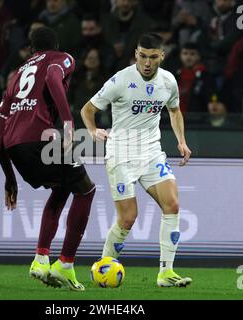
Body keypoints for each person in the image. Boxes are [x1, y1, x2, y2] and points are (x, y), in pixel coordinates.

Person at [80, 33, 192, 288]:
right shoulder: (120, 80)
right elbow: (87, 109)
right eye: (143, 56)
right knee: (128, 218)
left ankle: (166, 273)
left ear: (162, 56)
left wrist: (181, 142)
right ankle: (104, 265)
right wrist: (92, 130)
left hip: (151, 152)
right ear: (136, 54)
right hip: (121, 154)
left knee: (172, 204)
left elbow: (174, 111)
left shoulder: (168, 81)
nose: (147, 62)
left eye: (153, 57)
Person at [0, 27, 96, 291]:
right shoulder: (62, 58)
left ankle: (40, 259)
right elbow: (51, 76)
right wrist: (69, 122)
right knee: (86, 190)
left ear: (30, 48)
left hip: (15, 149)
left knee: (62, 188)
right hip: (40, 141)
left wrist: (9, 179)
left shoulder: (16, 76)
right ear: (55, 46)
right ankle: (66, 264)